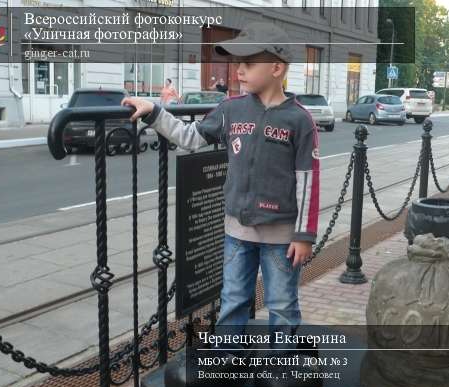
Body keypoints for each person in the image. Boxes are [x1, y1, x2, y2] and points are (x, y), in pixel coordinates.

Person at [121, 22, 319, 362]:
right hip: (236, 232)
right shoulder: (230, 110)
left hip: (281, 236)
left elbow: (308, 180)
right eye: (237, 62)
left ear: (276, 68)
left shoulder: (300, 120)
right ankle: (227, 357)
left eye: (248, 63)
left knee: (282, 302)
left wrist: (303, 235)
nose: (238, 70)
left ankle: (282, 361)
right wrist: (154, 111)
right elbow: (190, 137)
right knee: (234, 297)